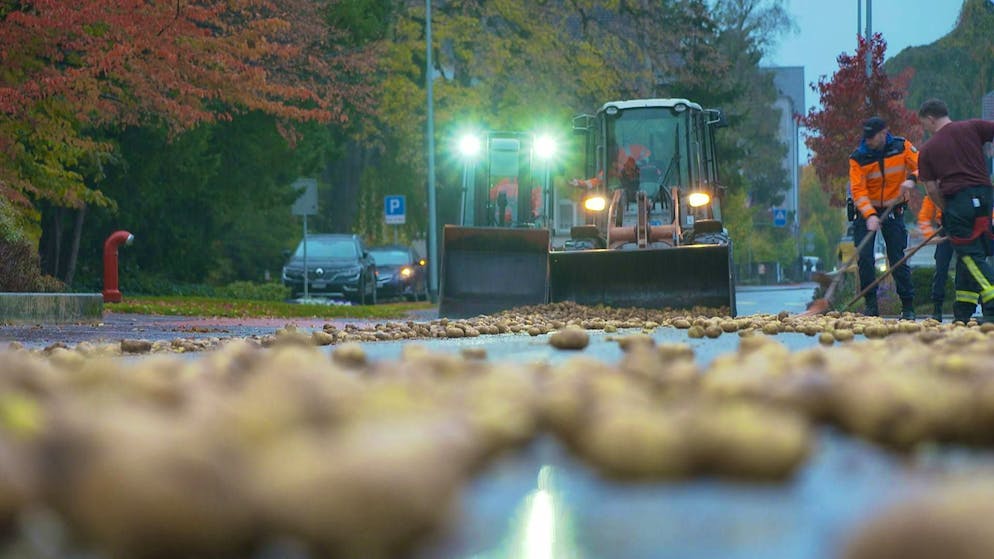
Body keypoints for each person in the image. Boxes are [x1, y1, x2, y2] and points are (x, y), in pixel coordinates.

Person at [918, 98, 994, 324]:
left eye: (924, 124)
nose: (925, 129)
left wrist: (947, 210)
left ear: (931, 118)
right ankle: (963, 311)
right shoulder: (973, 127)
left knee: (970, 255)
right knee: (970, 254)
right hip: (985, 198)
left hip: (958, 201)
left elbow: (931, 189)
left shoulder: (928, 149)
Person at [848, 116, 920, 318]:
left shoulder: (901, 147)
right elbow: (858, 190)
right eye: (866, 137)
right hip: (866, 210)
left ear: (883, 133)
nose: (868, 140)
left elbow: (922, 164)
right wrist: (870, 215)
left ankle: (908, 306)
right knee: (865, 258)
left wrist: (912, 179)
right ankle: (871, 306)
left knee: (897, 257)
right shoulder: (858, 157)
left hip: (893, 208)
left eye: (872, 136)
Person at [917, 195, 953, 321]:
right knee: (940, 269)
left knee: (968, 268)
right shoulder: (935, 190)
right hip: (943, 229)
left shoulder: (966, 186)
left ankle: (967, 310)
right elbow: (924, 217)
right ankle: (937, 309)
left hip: (965, 230)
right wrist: (930, 235)